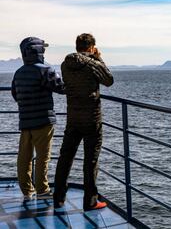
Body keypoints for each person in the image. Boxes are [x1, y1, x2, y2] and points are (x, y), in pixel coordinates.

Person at [53, 33, 114, 210]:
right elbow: (109, 80)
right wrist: (99, 59)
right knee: (91, 160)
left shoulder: (65, 65)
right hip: (92, 119)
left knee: (65, 158)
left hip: (73, 117)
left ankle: (58, 198)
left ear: (77, 46)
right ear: (91, 47)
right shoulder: (93, 63)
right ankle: (90, 201)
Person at [11, 37, 65, 200]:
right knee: (42, 157)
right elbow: (61, 88)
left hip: (25, 121)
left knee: (24, 157)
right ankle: (42, 190)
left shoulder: (19, 72)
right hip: (43, 120)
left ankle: (27, 191)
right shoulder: (46, 70)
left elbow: (15, 94)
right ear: (39, 51)